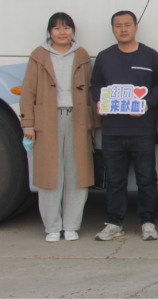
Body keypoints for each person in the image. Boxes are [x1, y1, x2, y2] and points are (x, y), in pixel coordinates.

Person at [20, 13, 98, 242]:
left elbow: (90, 91)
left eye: (66, 28)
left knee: (77, 174)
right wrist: (28, 124)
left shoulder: (81, 55)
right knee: (50, 175)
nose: (62, 32)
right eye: (56, 28)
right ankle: (52, 227)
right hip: (47, 121)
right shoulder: (38, 55)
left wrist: (93, 122)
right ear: (50, 32)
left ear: (73, 31)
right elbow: (28, 92)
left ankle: (71, 226)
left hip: (78, 120)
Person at [91, 11, 158, 241]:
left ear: (136, 27)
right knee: (115, 180)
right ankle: (114, 223)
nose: (123, 29)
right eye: (118, 25)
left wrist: (146, 103)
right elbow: (95, 85)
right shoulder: (104, 57)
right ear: (113, 29)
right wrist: (99, 100)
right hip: (112, 130)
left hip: (142, 130)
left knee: (146, 179)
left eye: (127, 24)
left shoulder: (150, 56)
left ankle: (148, 222)